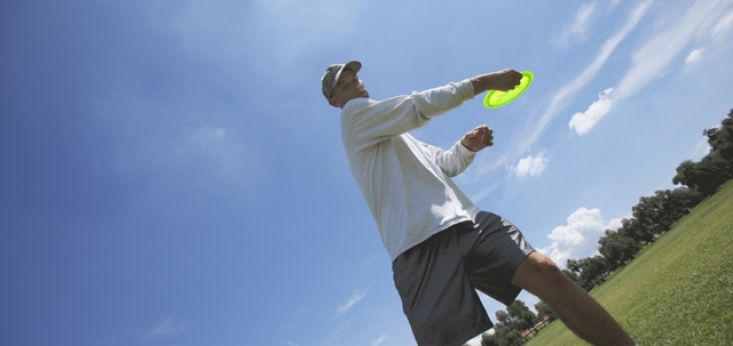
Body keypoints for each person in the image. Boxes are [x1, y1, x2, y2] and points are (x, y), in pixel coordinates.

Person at [322, 60, 636, 346]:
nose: (358, 85)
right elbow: (417, 106)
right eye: (347, 85)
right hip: (417, 245)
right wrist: (483, 82)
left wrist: (465, 147)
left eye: (357, 79)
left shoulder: (393, 132)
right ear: (335, 101)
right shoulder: (354, 118)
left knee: (544, 271)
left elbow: (444, 165)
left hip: (465, 221)